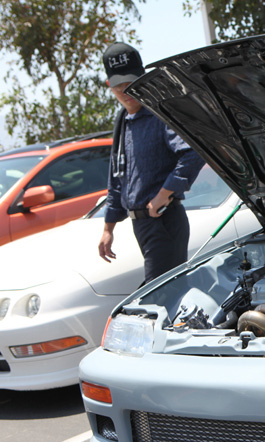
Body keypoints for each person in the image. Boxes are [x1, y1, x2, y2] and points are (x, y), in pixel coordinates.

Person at [98, 42, 206, 284]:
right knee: (165, 295)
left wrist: (164, 194)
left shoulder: (160, 114)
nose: (125, 91)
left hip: (164, 222)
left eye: (130, 83)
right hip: (141, 226)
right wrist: (108, 229)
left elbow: (193, 153)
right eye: (118, 86)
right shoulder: (123, 120)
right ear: (109, 86)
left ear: (143, 79)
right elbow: (117, 177)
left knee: (161, 296)